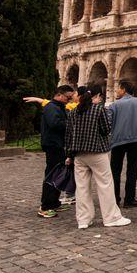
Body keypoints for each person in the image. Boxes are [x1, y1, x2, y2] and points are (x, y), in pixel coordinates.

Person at [65, 84, 131, 229]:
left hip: (79, 154)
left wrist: (69, 155)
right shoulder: (98, 109)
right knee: (105, 185)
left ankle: (83, 219)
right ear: (99, 96)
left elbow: (68, 136)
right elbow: (106, 129)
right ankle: (111, 217)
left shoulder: (73, 112)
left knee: (82, 188)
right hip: (97, 152)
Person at [109, 79, 137, 208]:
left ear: (123, 90)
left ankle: (114, 198)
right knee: (132, 170)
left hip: (118, 140)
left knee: (115, 171)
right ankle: (130, 199)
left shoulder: (114, 105)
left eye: (118, 88)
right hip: (136, 140)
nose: (117, 91)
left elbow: (108, 122)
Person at [38, 86, 75, 218]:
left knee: (59, 175)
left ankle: (54, 202)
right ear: (59, 95)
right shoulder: (51, 107)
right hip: (53, 145)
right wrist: (70, 123)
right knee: (51, 175)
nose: (69, 100)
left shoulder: (59, 107)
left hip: (59, 145)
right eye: (68, 97)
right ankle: (45, 206)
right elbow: (55, 124)